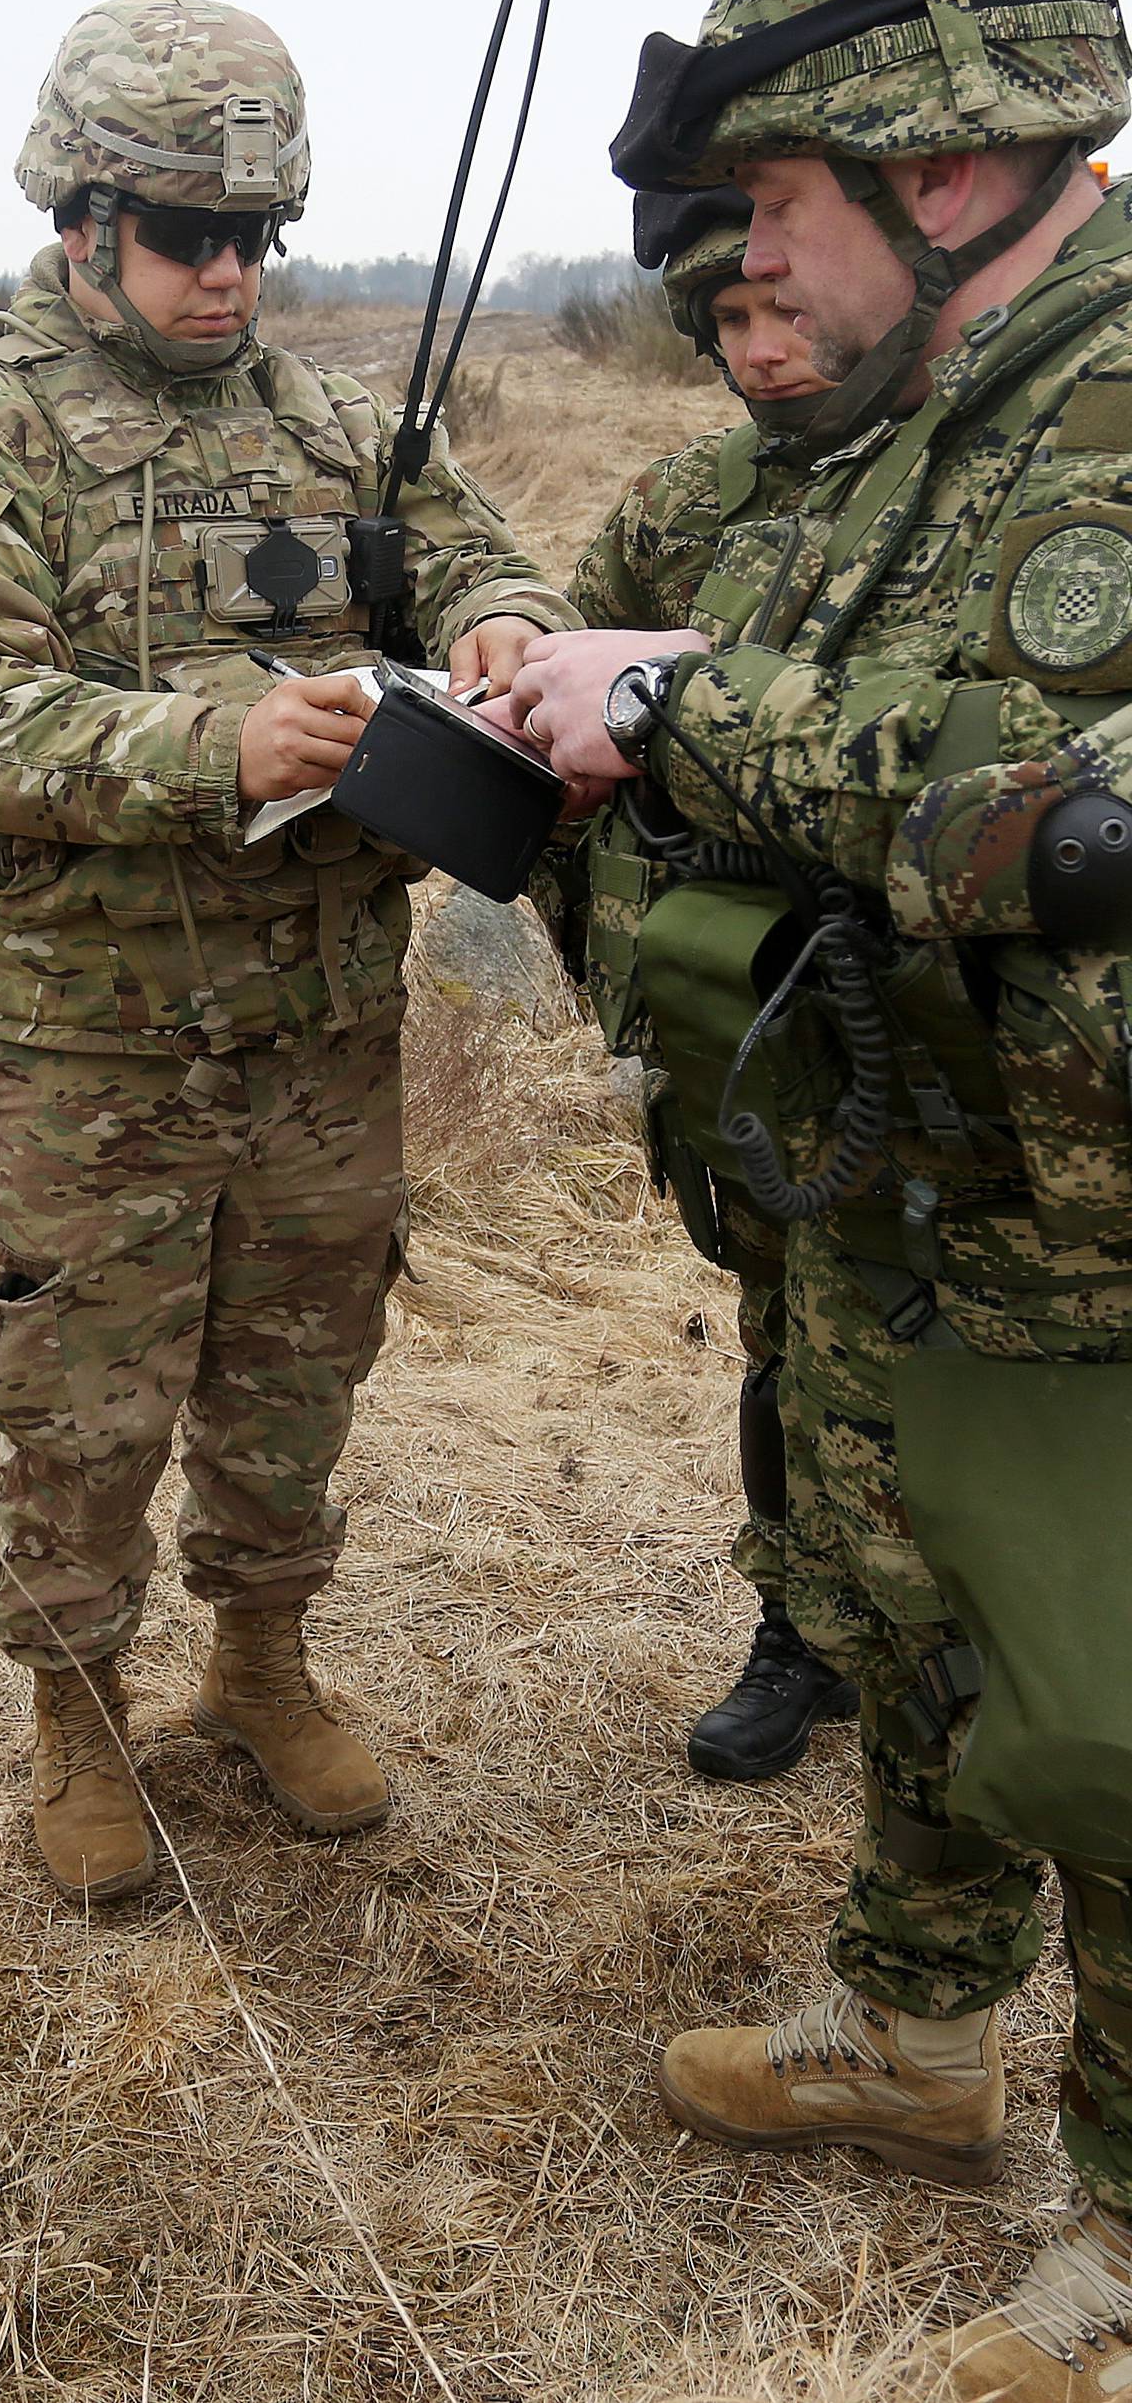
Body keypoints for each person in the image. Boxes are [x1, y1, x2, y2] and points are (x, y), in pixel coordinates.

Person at [496, 0, 1132, 2394]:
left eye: (770, 199)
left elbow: (1070, 809)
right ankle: (917, 2024)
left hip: (1094, 1266)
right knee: (905, 1631)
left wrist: (682, 713)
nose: (731, 257)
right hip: (906, 1202)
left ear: (946, 176)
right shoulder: (926, 426)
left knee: (1107, 1718)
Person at [0, 0, 576, 1904]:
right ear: (82, 221)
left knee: (295, 1372)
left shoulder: (332, 420)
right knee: (78, 1406)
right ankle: (76, 1721)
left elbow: (486, 548)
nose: (227, 277)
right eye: (188, 237)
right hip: (90, 1053)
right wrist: (209, 741)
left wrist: (507, 627)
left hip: (321, 1024)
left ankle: (261, 1667)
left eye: (259, 238)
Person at [567, 189, 859, 1782]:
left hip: (916, 1002)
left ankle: (967, 1650)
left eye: (778, 315)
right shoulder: (688, 500)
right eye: (727, 329)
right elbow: (557, 675)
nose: (761, 354)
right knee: (779, 1323)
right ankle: (799, 1635)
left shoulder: (950, 486)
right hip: (737, 1012)